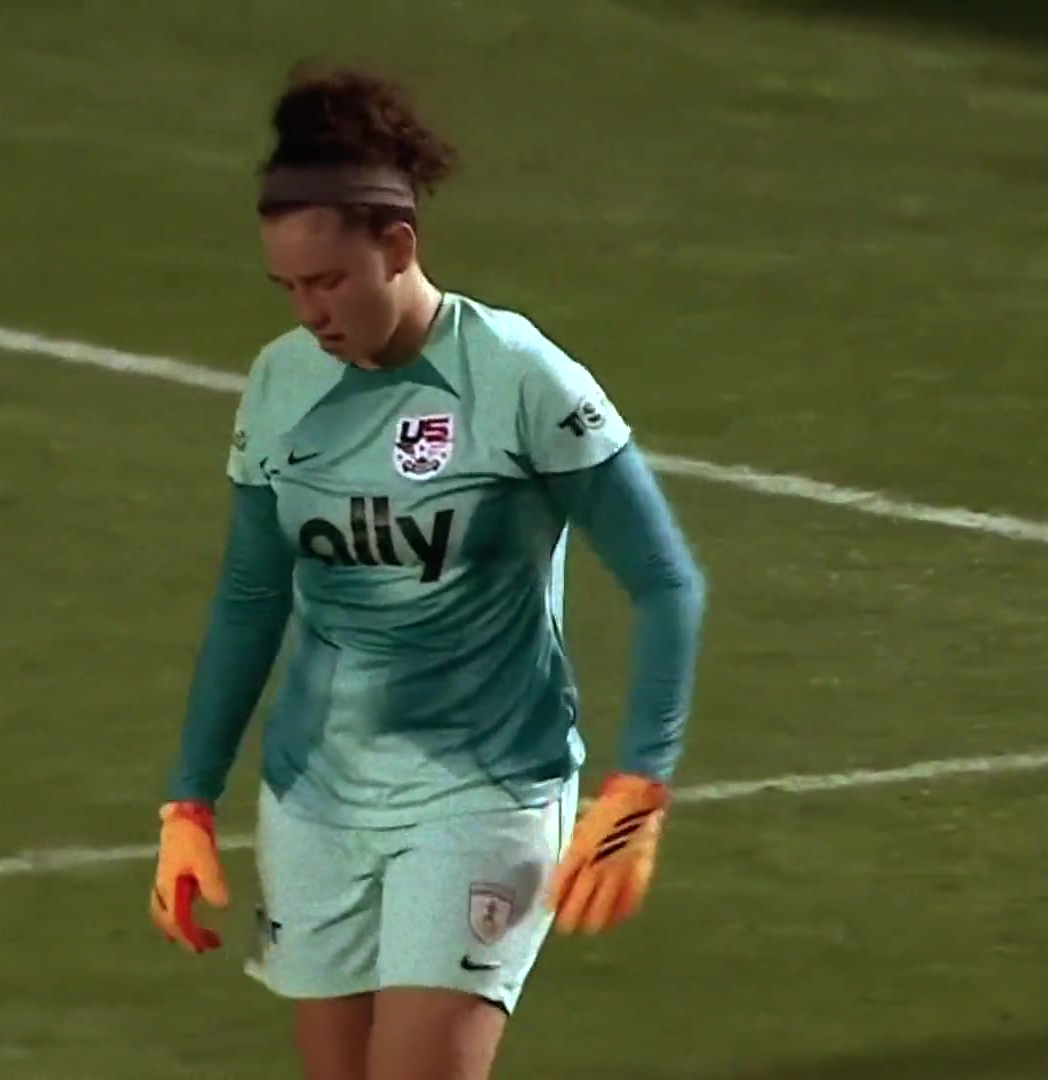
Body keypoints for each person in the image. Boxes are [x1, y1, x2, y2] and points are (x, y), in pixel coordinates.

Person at [147, 63, 708, 1080]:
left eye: (329, 281)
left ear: (398, 247)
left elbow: (667, 582)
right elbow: (251, 596)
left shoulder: (518, 376)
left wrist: (641, 782)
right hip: (316, 798)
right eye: (289, 288)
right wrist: (188, 800)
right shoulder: (279, 383)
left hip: (482, 790)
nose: (310, 312)